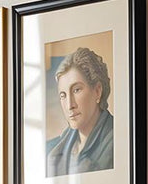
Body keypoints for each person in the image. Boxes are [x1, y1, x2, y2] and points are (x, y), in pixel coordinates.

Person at [46, 47, 114, 176]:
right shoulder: (52, 150)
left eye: (76, 90)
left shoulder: (118, 141)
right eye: (63, 95)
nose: (69, 105)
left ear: (97, 91)